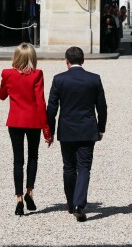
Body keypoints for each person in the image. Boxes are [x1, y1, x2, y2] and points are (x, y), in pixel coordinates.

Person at [47, 47, 107, 222]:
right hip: (88, 129)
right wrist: (101, 128)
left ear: (66, 61)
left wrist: (49, 130)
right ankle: (79, 204)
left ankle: (71, 202)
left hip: (66, 129)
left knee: (69, 167)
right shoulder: (94, 79)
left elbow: (51, 108)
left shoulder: (59, 79)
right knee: (84, 167)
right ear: (83, 61)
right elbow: (102, 107)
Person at [0, 43, 53, 216]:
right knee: (33, 157)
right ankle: (29, 191)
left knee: (17, 160)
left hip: (14, 121)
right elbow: (40, 102)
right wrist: (47, 130)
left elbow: (2, 96)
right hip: (33, 122)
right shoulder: (37, 74)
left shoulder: (7, 74)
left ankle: (19, 199)